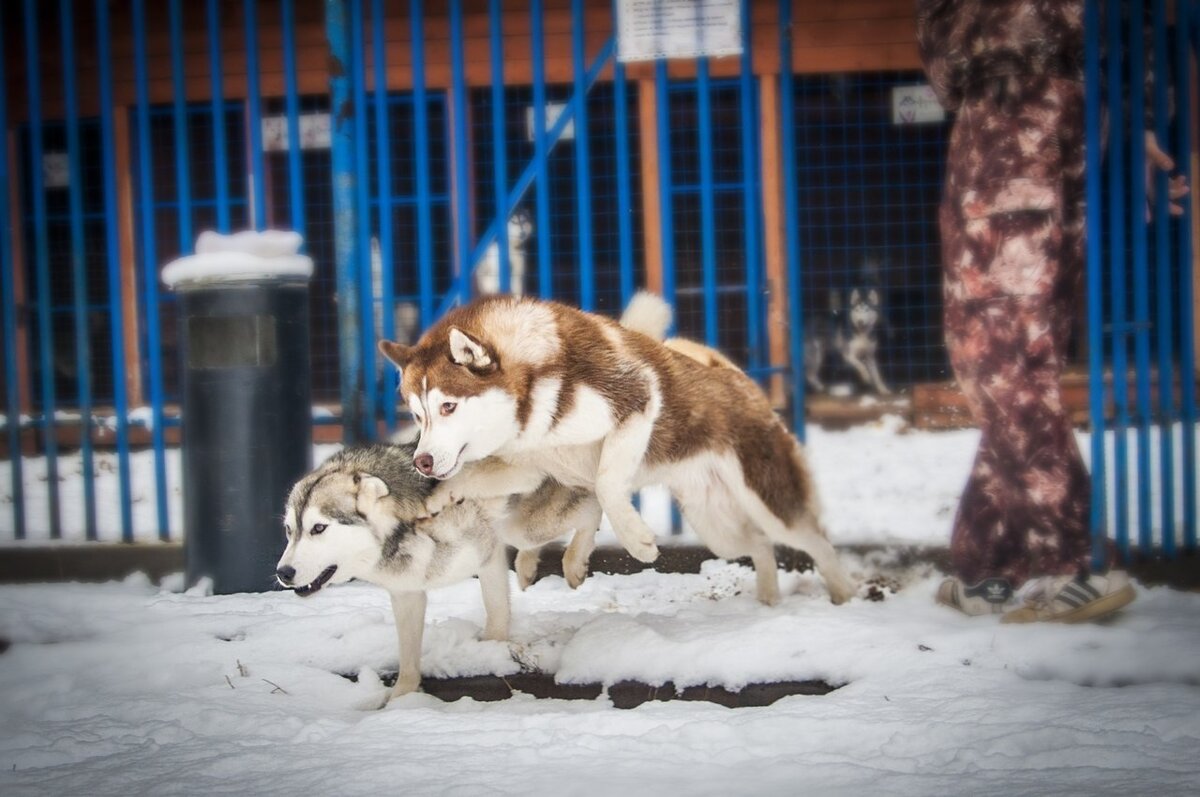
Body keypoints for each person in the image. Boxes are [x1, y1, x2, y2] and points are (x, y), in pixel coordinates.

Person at [917, 0, 1189, 622]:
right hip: (1079, 120)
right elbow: (1138, 24)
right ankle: (985, 563)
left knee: (995, 362)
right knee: (1022, 364)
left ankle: (1077, 560)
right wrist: (1145, 120)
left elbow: (944, 55)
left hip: (1006, 121)